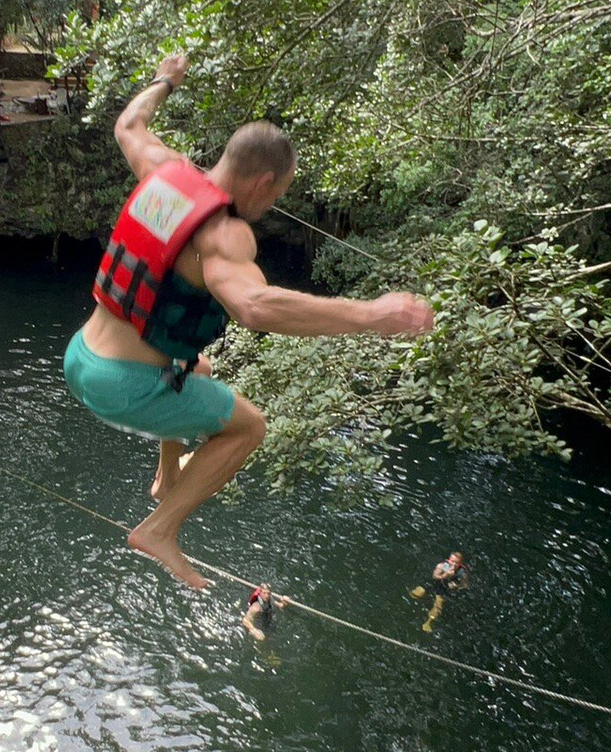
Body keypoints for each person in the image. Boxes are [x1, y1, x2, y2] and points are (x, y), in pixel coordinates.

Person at [62, 54, 435, 589]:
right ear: (263, 182)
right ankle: (160, 529)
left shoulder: (166, 170)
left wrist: (166, 80)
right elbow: (256, 307)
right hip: (121, 386)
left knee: (201, 364)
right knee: (250, 426)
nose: (274, 203)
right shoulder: (225, 234)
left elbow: (129, 123)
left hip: (80, 357)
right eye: (278, 194)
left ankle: (167, 478)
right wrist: (371, 314)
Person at [411, 551, 469, 632]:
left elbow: (465, 585)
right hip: (434, 583)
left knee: (438, 606)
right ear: (448, 560)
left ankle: (428, 623)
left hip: (444, 589)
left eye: (456, 563)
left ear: (460, 564)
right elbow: (435, 576)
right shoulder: (444, 566)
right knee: (416, 593)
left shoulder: (462, 572)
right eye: (452, 561)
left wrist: (456, 585)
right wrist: (446, 575)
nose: (453, 564)